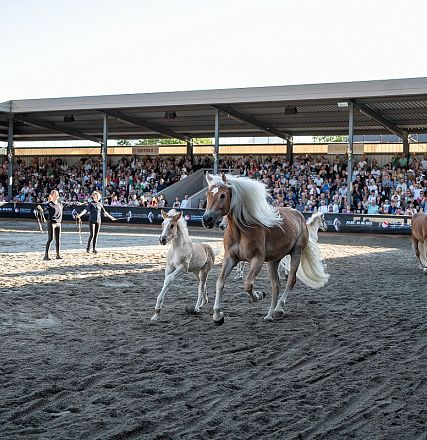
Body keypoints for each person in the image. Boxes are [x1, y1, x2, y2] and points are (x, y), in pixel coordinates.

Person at [37, 189, 63, 261]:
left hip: (58, 223)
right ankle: (46, 255)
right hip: (52, 222)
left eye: (57, 194)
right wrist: (40, 209)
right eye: (55, 194)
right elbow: (44, 209)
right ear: (51, 195)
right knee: (51, 238)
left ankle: (58, 254)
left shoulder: (60, 203)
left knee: (58, 239)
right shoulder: (49, 204)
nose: (57, 195)